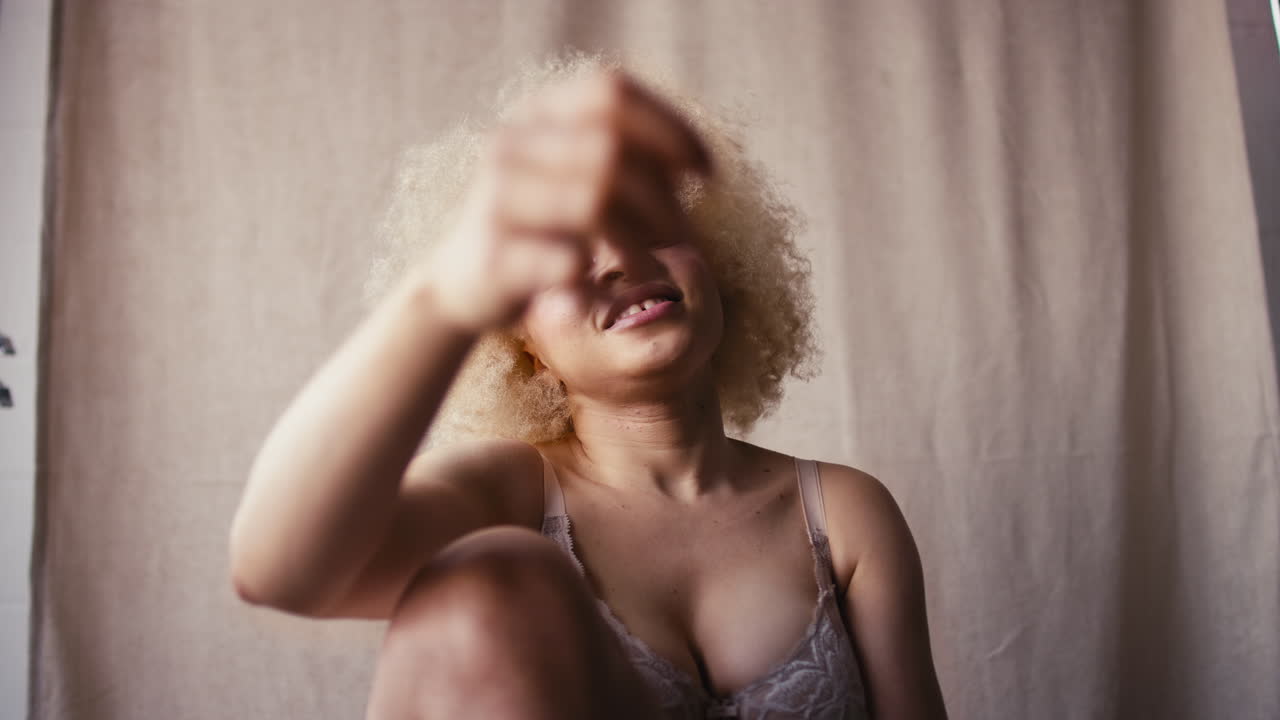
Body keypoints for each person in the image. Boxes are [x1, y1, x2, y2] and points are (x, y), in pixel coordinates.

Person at [229, 54, 948, 720]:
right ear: (522, 346)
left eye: (646, 225)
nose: (615, 261)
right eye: (564, 255)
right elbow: (282, 571)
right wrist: (446, 297)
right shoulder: (505, 497)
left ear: (722, 267)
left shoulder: (844, 515)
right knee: (493, 575)